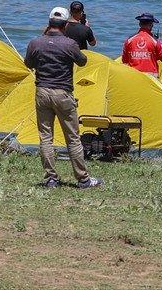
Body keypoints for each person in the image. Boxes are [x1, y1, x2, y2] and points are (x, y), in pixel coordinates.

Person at [24, 10, 101, 189]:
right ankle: (83, 179)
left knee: (45, 137)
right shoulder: (69, 44)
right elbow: (82, 61)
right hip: (63, 93)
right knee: (72, 137)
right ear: (65, 25)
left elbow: (28, 63)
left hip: (42, 92)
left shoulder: (36, 42)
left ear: (48, 23)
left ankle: (51, 178)